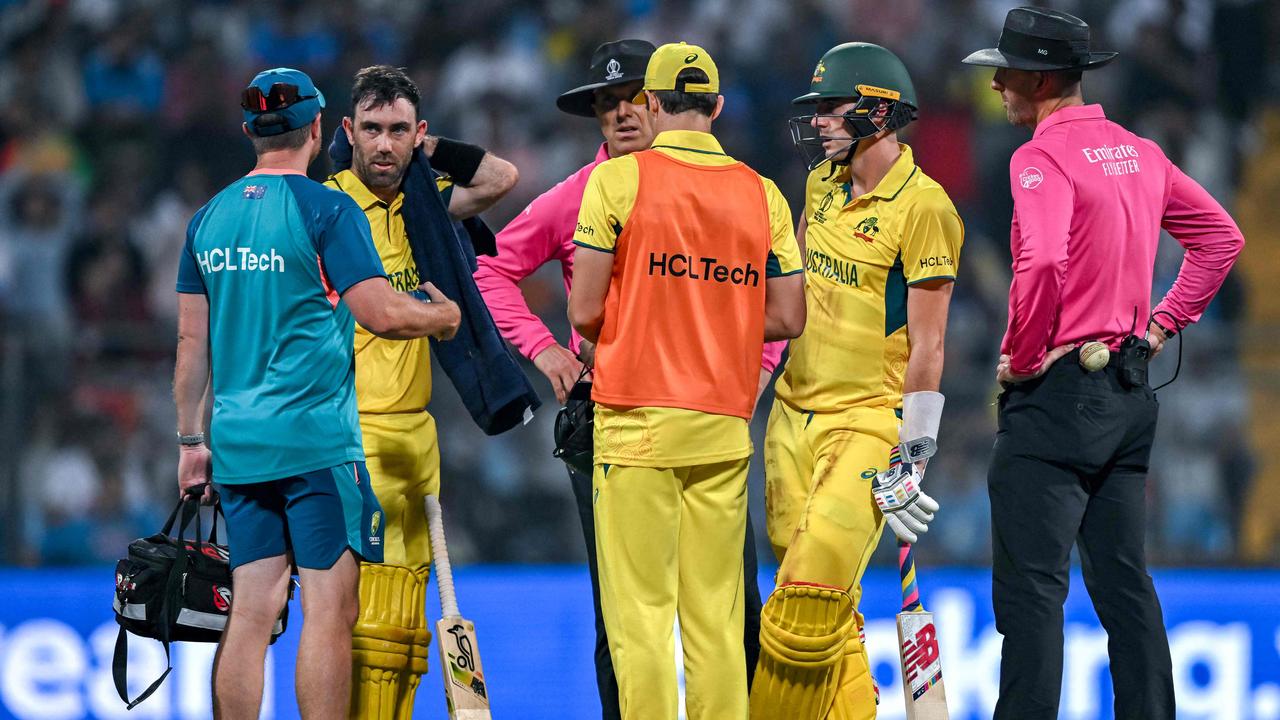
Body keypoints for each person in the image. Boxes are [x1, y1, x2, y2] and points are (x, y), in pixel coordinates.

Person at [473, 38, 778, 718]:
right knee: (631, 618)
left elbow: (766, 304)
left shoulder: (713, 188)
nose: (620, 114)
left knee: (731, 606)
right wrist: (546, 351)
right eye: (605, 105)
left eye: (634, 97)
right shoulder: (583, 194)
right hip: (617, 414)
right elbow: (490, 270)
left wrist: (755, 376)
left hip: (690, 418)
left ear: (663, 102)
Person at [961, 8, 1245, 719]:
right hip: (1127, 388)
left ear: (1041, 77)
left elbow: (1046, 258)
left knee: (1032, 595)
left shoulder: (1038, 158)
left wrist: (1023, 359)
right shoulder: (1139, 152)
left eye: (1007, 70)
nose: (996, 83)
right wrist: (1157, 329)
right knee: (1124, 587)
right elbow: (1222, 238)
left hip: (1056, 394)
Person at [174, 67, 460, 720]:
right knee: (330, 608)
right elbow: (380, 313)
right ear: (319, 127)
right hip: (316, 444)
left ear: (251, 131)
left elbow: (193, 349)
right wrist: (441, 318)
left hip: (239, 443)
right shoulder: (327, 209)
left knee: (251, 607)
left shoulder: (206, 220)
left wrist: (192, 442)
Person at [568, 42, 805, 720]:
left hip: (636, 425)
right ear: (718, 106)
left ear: (649, 103)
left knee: (640, 622)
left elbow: (584, 311)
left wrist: (656, 310)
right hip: (723, 428)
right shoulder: (763, 193)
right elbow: (788, 315)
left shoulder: (616, 182)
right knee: (717, 622)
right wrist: (715, 313)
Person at [751, 43, 964, 719]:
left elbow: (929, 343)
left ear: (878, 111)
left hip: (867, 423)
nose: (819, 123)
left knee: (805, 605)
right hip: (790, 420)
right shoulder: (820, 183)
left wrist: (915, 452)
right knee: (827, 614)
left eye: (832, 109)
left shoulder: (926, 208)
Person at [321, 65, 518, 718]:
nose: (383, 144)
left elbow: (499, 179)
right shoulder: (323, 206)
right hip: (348, 433)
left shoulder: (423, 207)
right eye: (371, 130)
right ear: (346, 132)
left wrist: (427, 154)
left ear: (419, 134)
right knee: (364, 623)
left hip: (414, 436)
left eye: (398, 131)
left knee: (405, 629)